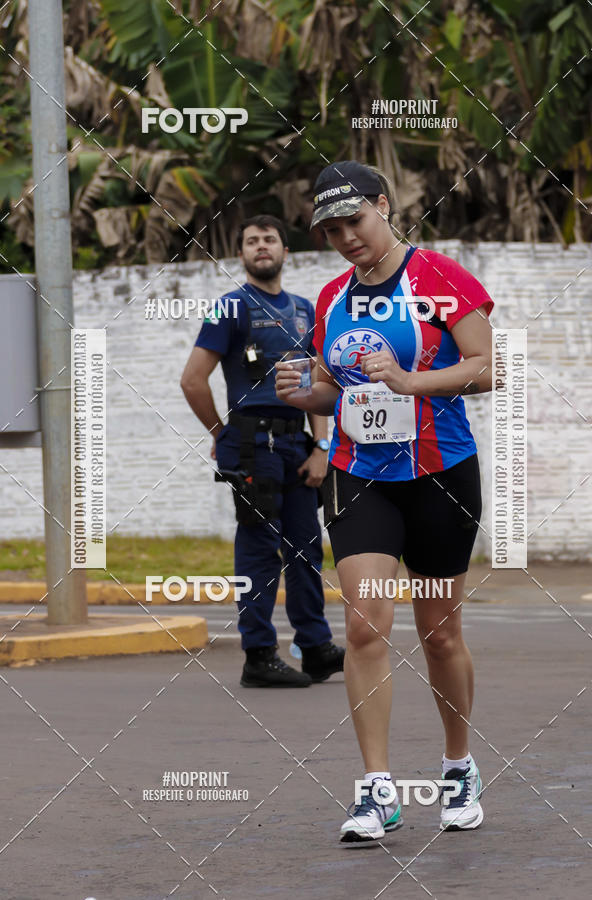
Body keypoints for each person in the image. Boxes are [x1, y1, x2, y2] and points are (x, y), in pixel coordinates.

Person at [275, 161, 494, 838]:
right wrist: (302, 392)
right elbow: (328, 387)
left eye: (355, 222)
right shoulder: (333, 296)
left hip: (438, 473)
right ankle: (377, 789)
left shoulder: (441, 279)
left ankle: (458, 766)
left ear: (384, 204)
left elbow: (489, 368)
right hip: (359, 473)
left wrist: (409, 381)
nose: (345, 238)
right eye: (332, 229)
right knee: (367, 626)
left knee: (439, 632)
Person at [181, 214, 344, 688]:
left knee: (306, 546)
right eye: (251, 241)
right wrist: (220, 432)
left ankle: (315, 648)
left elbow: (319, 380)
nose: (261, 247)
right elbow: (192, 379)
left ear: (284, 250)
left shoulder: (305, 310)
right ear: (242, 255)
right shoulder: (228, 308)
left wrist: (321, 445)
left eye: (269, 239)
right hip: (252, 445)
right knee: (259, 549)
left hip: (298, 441)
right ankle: (259, 654)